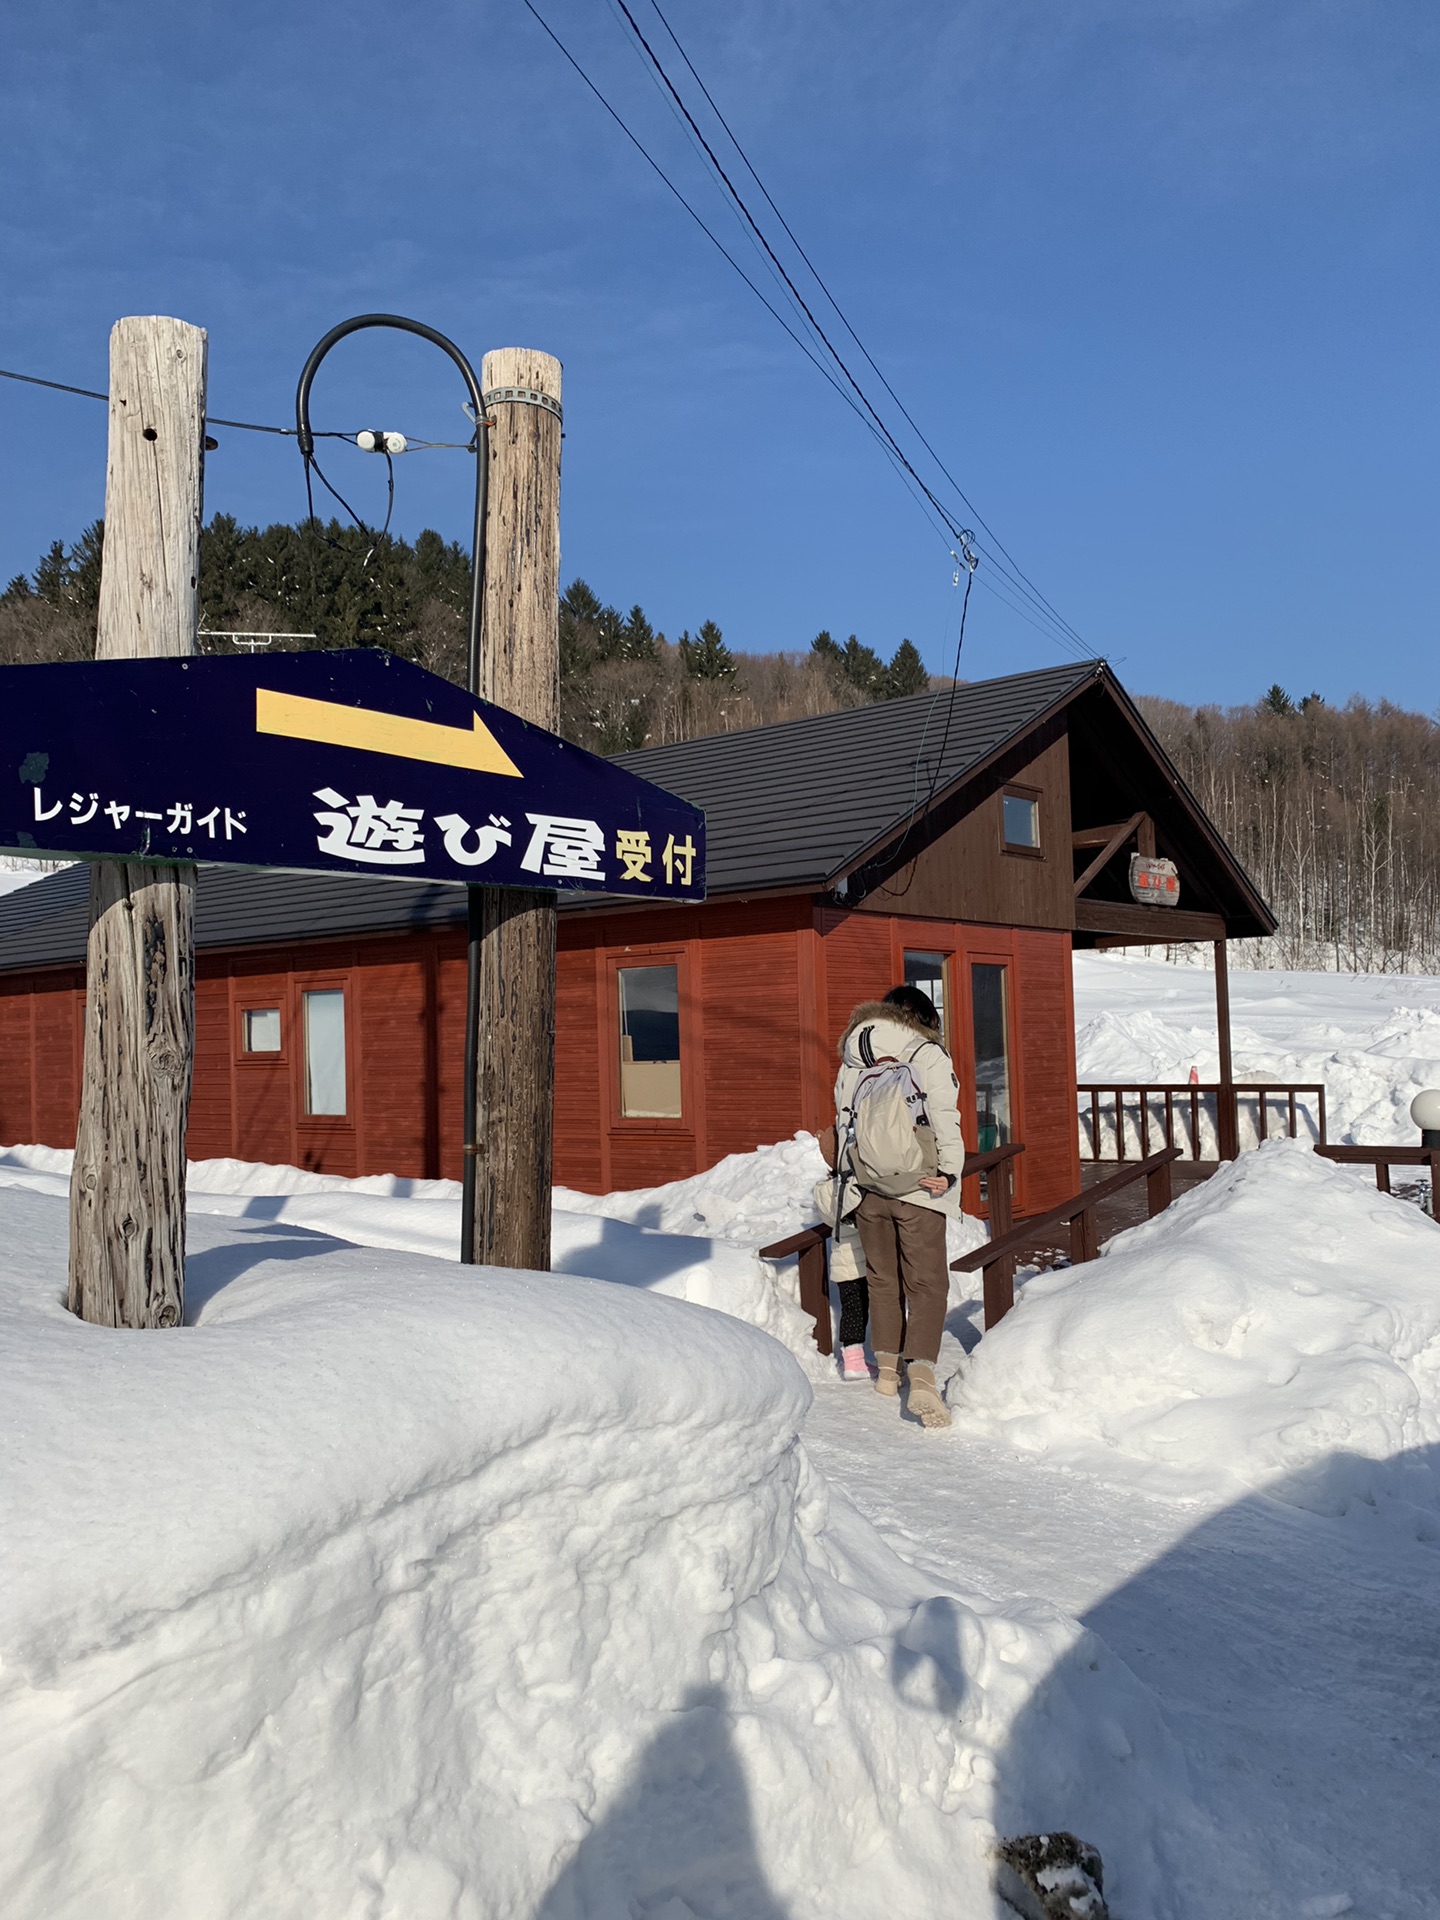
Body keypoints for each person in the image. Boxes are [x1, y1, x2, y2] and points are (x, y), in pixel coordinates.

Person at [832, 984, 966, 1428]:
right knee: (927, 1284)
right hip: (919, 1189)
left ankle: (887, 1373)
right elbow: (946, 1116)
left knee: (883, 1280)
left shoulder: (853, 1054)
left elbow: (842, 1121)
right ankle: (922, 1377)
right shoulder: (926, 1052)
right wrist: (948, 1172)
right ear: (925, 1019)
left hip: (870, 1187)